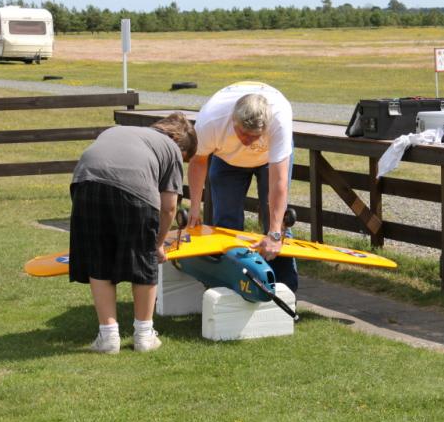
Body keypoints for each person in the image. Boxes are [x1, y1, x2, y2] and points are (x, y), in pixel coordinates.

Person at [69, 112, 197, 354]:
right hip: (135, 191)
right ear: (178, 142)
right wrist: (157, 245)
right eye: (185, 159)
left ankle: (108, 337)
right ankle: (144, 336)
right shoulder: (171, 148)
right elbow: (169, 207)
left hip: (85, 184)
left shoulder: (117, 130)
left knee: (99, 259)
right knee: (143, 258)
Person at [187, 81, 298, 292]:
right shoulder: (211, 121)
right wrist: (194, 208)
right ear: (233, 120)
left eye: (254, 136)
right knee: (226, 224)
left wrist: (275, 233)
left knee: (277, 224)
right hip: (226, 158)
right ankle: (228, 288)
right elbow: (198, 161)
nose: (247, 141)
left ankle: (285, 293)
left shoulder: (279, 119)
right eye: (242, 133)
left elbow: (279, 181)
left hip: (268, 160)